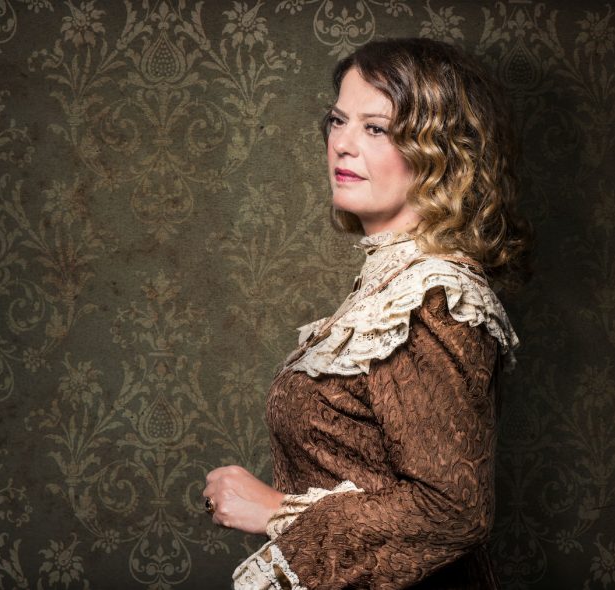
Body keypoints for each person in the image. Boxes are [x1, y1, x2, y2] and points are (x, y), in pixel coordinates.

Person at [203, 37, 531, 589]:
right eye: (338, 121)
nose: (342, 144)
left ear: (441, 154)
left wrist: (277, 512)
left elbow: (453, 510)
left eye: (376, 128)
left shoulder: (433, 298)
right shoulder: (391, 287)